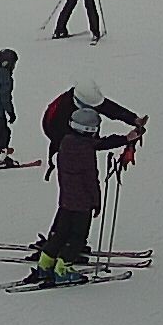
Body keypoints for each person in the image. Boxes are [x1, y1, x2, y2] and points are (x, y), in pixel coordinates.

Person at [26, 107, 143, 285]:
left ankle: (45, 265)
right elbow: (90, 179)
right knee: (77, 237)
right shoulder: (86, 150)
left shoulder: (67, 141)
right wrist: (96, 202)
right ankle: (63, 269)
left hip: (66, 200)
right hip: (82, 203)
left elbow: (101, 144)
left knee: (60, 233)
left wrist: (126, 138)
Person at [41, 79, 146, 171]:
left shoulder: (86, 96)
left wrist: (133, 119)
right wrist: (125, 139)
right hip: (62, 138)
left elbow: (111, 109)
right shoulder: (62, 121)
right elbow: (92, 144)